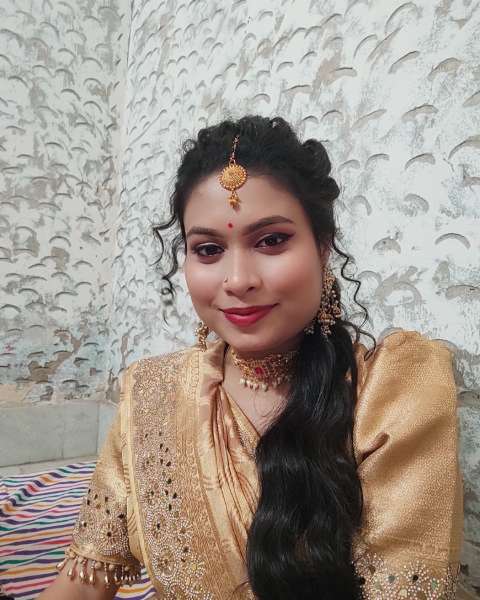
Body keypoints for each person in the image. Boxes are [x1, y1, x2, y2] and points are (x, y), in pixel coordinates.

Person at [38, 115, 463, 600]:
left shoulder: (393, 393)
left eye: (272, 240)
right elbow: (85, 582)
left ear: (323, 248)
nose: (238, 280)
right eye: (208, 249)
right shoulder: (153, 396)